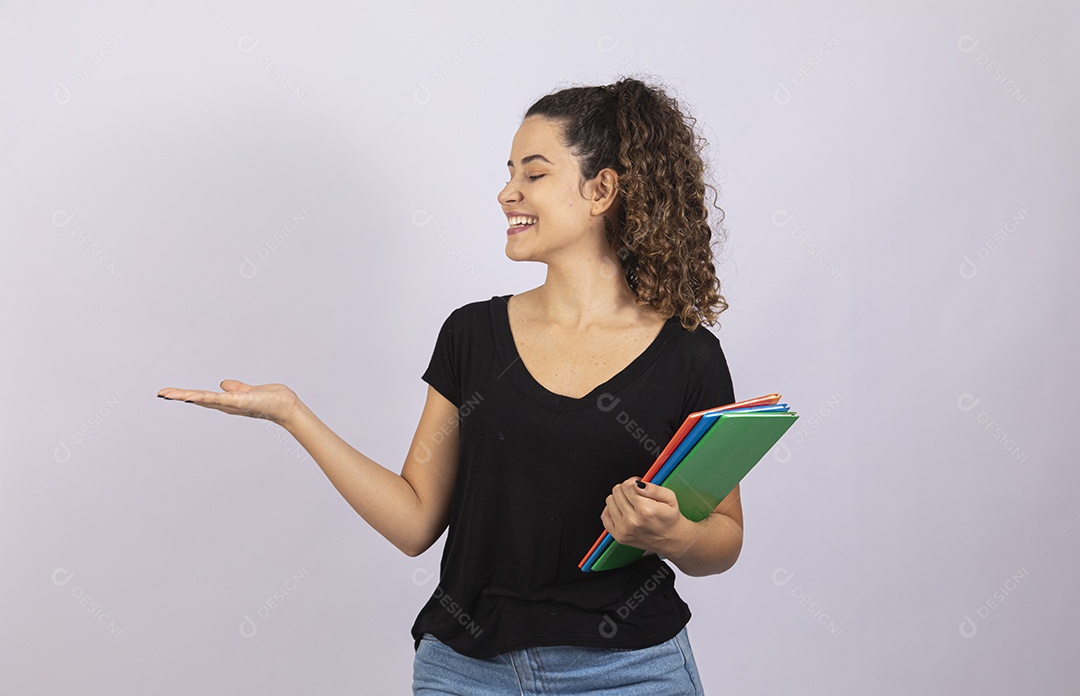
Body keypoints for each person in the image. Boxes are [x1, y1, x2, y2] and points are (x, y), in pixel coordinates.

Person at [158, 76, 741, 695]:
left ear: (601, 190)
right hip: (466, 673)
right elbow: (415, 521)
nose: (505, 192)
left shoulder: (689, 355)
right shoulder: (471, 336)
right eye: (508, 170)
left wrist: (674, 534)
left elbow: (723, 538)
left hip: (629, 672)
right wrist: (292, 414)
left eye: (533, 174)